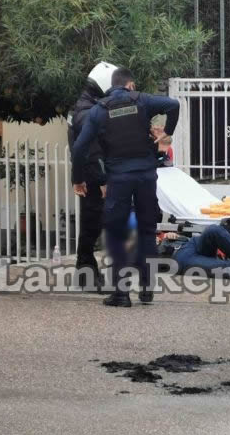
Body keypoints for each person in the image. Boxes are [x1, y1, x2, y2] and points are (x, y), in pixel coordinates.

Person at [72, 67, 179, 307]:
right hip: (146, 176)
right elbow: (174, 105)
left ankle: (121, 294)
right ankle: (147, 289)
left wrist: (78, 179)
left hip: (119, 178)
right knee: (146, 230)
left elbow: (79, 148)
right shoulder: (142, 100)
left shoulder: (100, 110)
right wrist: (166, 135)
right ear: (128, 85)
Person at [68, 61, 117, 287]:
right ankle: (87, 275)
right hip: (94, 178)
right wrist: (103, 179)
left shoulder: (83, 106)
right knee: (92, 226)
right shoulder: (88, 112)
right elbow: (94, 150)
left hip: (89, 175)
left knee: (91, 226)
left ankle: (85, 274)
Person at [158, 220, 230, 277]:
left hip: (189, 243)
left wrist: (169, 235)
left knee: (213, 230)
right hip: (178, 258)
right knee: (224, 266)